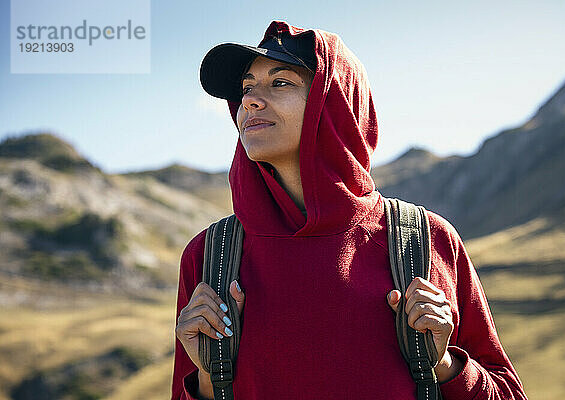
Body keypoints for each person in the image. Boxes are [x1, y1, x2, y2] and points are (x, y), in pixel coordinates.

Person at [172, 20, 527, 400]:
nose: (249, 101)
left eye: (280, 82)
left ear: (335, 101)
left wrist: (442, 365)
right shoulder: (209, 256)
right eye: (246, 88)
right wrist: (209, 380)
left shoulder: (426, 240)